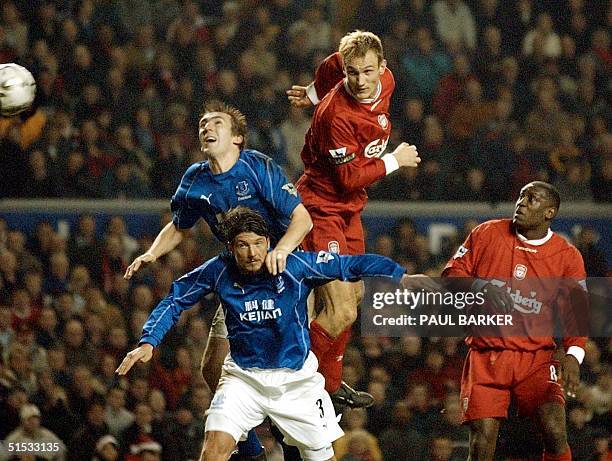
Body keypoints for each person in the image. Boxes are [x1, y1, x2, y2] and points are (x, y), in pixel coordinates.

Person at [117, 207, 438, 461]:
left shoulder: (295, 266)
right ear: (231, 247)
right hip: (243, 378)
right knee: (213, 450)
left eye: (258, 243)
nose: (252, 252)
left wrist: (400, 276)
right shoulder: (218, 270)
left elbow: (351, 265)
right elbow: (176, 297)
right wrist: (149, 340)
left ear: (269, 243)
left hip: (296, 381)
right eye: (242, 245)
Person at [124, 100, 313, 460]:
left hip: (280, 278)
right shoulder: (195, 179)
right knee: (213, 367)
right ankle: (250, 446)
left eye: (216, 123)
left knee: (282, 372)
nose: (206, 128)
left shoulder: (258, 167)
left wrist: (282, 251)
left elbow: (302, 219)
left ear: (238, 137)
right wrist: (151, 253)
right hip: (238, 281)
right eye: (202, 124)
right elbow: (179, 227)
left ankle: (300, 428)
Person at [286, 30, 422, 408]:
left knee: (356, 296)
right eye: (352, 73)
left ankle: (328, 383)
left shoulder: (385, 81)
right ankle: (292, 380)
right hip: (320, 206)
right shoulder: (336, 115)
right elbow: (347, 178)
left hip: (350, 208)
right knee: (342, 307)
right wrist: (396, 160)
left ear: (382, 67)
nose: (360, 81)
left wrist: (312, 90)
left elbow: (330, 64)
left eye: (367, 71)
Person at [442, 181, 588, 461]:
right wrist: (481, 286)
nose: (521, 202)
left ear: (549, 213)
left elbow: (577, 313)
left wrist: (573, 355)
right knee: (481, 445)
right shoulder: (487, 233)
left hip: (536, 359)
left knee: (555, 429)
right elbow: (450, 276)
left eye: (532, 199)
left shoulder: (567, 256)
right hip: (486, 357)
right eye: (521, 196)